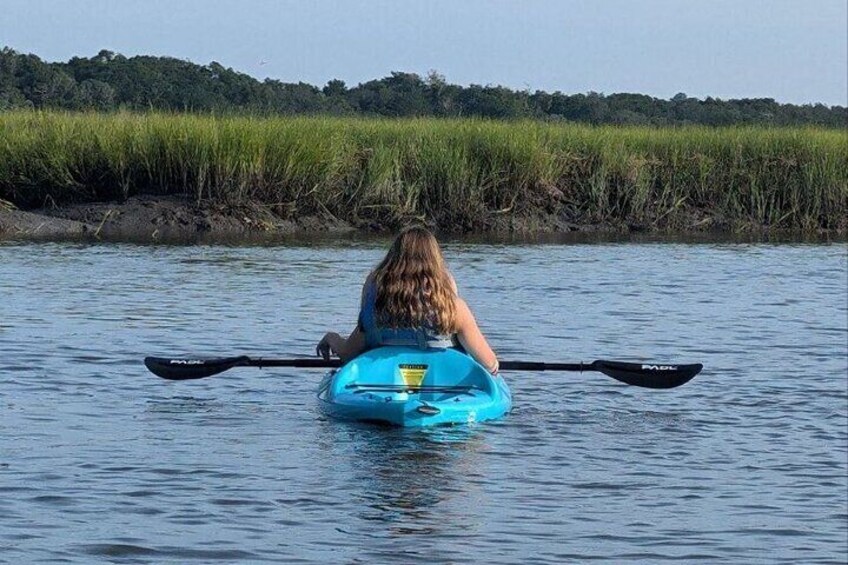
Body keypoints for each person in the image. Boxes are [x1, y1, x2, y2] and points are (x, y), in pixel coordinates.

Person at [316, 226, 499, 374]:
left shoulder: (375, 309)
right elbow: (490, 364)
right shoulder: (454, 310)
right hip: (443, 386)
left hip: (381, 387)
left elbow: (349, 354)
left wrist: (332, 338)